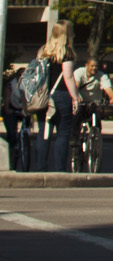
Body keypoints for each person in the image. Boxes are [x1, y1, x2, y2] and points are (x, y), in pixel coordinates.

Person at [33, 22, 84, 172]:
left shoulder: (43, 51)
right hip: (61, 95)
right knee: (62, 133)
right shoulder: (66, 53)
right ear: (68, 34)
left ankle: (41, 168)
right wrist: (75, 97)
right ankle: (59, 169)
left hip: (43, 96)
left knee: (44, 132)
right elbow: (68, 77)